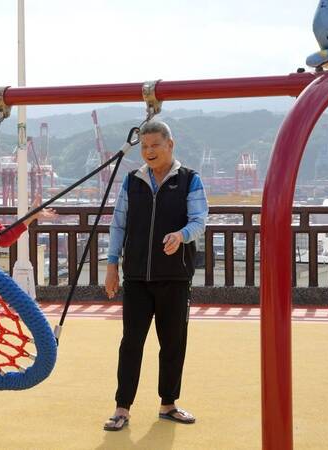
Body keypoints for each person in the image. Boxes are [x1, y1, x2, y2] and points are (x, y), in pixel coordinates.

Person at [102, 120, 208, 431]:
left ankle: (168, 404)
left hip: (175, 277)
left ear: (170, 145)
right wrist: (112, 265)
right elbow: (118, 224)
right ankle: (122, 408)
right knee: (131, 343)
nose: (149, 151)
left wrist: (181, 235)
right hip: (136, 277)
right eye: (144, 146)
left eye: (155, 145)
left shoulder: (190, 180)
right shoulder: (131, 181)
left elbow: (199, 220)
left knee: (173, 343)